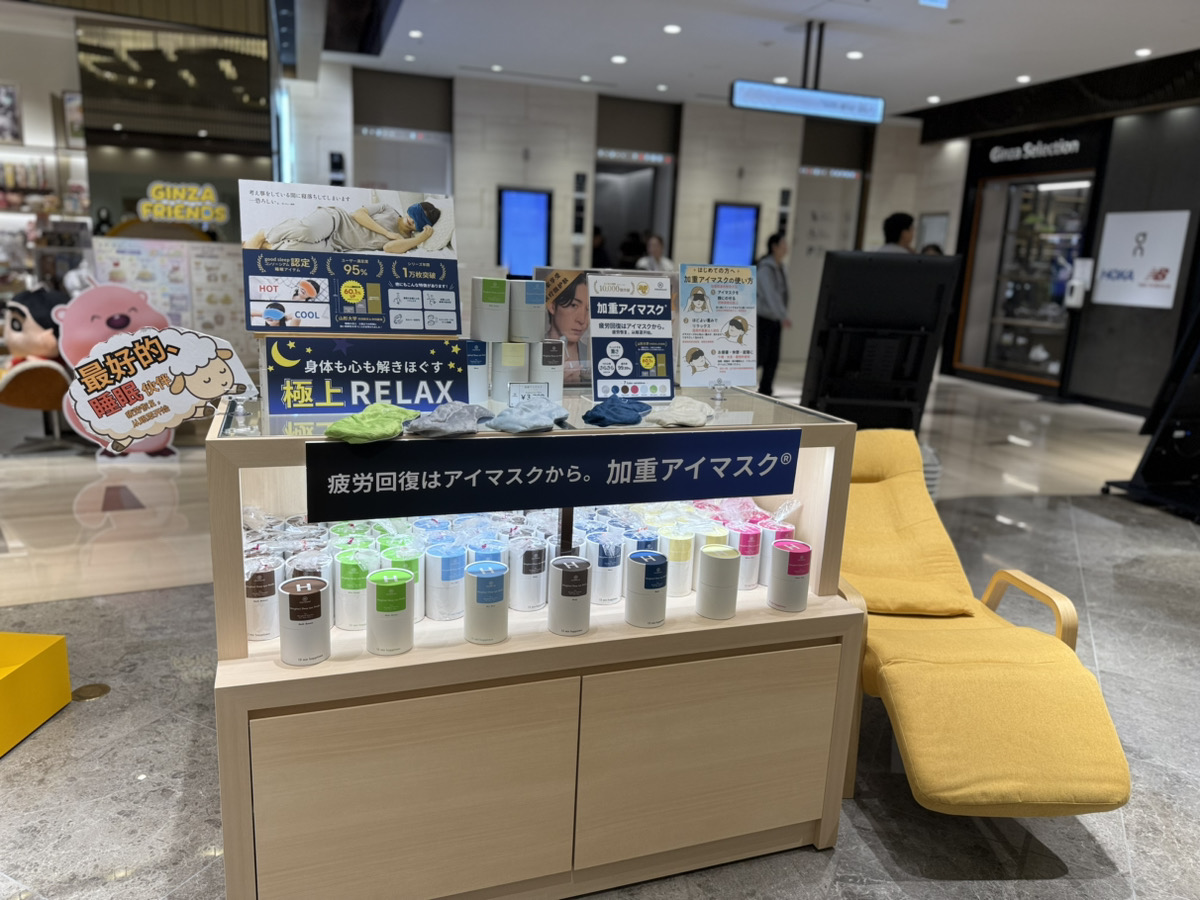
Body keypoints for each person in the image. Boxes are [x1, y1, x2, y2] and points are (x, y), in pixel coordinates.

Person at [244, 200, 440, 255]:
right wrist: (387, 232)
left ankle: (267, 246)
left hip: (336, 245)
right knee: (308, 232)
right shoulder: (388, 209)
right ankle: (264, 234)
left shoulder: (407, 242)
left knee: (297, 251)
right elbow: (358, 214)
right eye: (414, 214)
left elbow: (389, 248)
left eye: (418, 220)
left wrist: (420, 238)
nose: (412, 220)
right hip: (336, 220)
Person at [756, 232, 790, 396]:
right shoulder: (765, 268)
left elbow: (783, 294)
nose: (786, 248)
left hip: (775, 318)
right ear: (774, 247)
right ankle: (741, 385)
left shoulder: (781, 267)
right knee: (760, 355)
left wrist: (782, 315)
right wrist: (782, 315)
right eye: (783, 244)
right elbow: (770, 295)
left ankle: (766, 390)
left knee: (773, 358)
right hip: (763, 318)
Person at [545, 272, 591, 385]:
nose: (582, 320)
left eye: (588, 309)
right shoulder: (533, 351)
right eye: (574, 305)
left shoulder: (592, 355)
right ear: (552, 306)